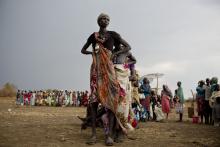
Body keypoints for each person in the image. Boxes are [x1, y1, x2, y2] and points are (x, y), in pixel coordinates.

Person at [81, 13, 132, 146]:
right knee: (93, 102)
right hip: (95, 70)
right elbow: (83, 49)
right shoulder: (93, 36)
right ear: (98, 21)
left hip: (109, 71)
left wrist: (114, 53)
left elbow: (128, 47)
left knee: (110, 102)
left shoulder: (113, 35)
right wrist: (92, 53)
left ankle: (108, 135)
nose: (105, 20)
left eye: (107, 19)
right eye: (103, 19)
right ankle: (93, 135)